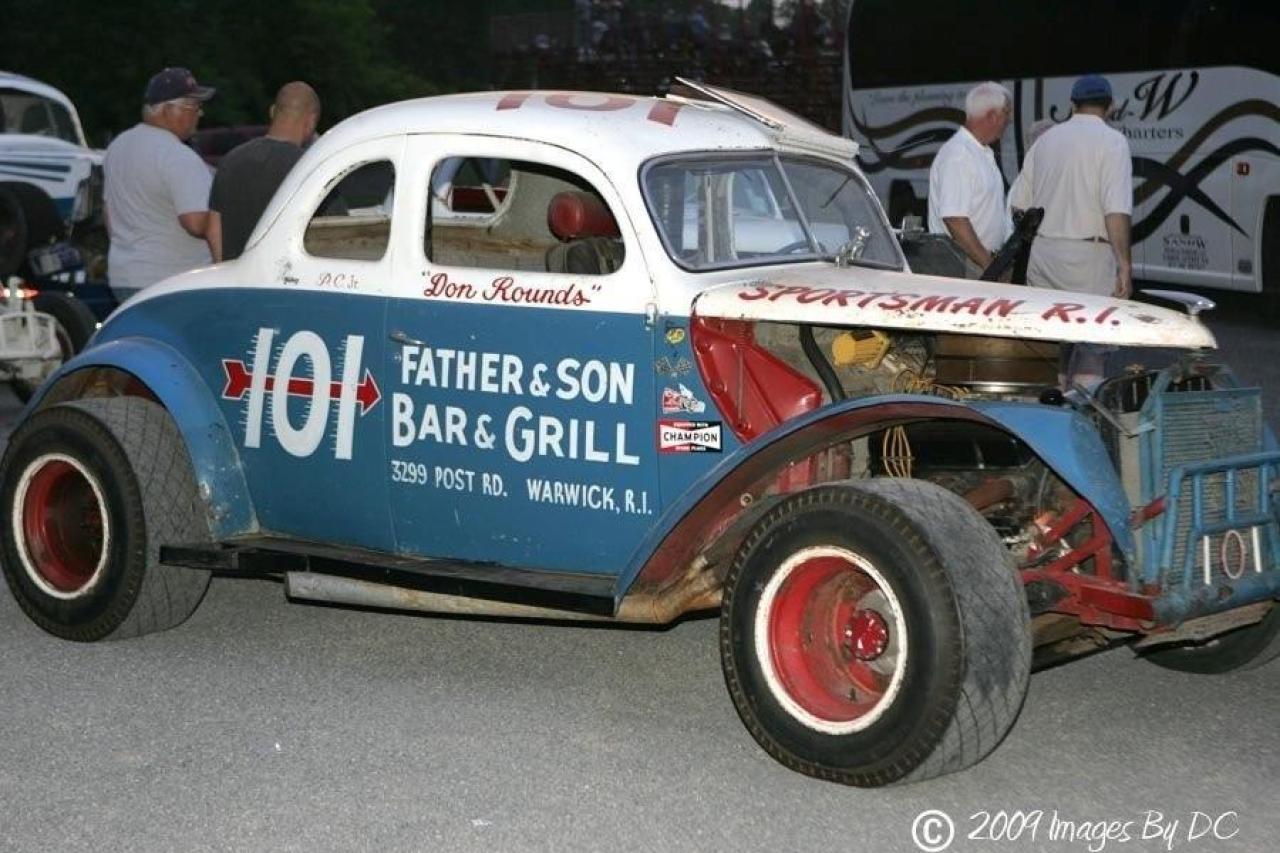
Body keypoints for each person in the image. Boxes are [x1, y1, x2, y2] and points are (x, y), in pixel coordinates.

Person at [1009, 74, 1133, 387]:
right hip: (1088, 258)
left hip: (1044, 253)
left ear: (1072, 105)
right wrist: (1124, 264)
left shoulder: (1046, 140)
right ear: (1110, 107)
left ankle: (1053, 403)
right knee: (1092, 345)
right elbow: (1115, 211)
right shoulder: (1113, 142)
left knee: (1053, 343)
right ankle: (1081, 408)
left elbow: (1019, 205)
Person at [103, 68, 216, 302]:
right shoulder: (177, 155)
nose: (200, 113)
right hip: (172, 282)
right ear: (168, 110)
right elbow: (196, 223)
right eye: (193, 106)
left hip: (124, 277)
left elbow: (109, 216)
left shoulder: (118, 146)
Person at [207, 82, 321, 262]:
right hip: (284, 276)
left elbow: (213, 229)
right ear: (311, 121)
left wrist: (224, 270)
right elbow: (333, 233)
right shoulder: (309, 168)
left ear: (272, 111)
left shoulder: (231, 159)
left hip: (236, 273)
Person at [927, 82, 1013, 278]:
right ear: (992, 116)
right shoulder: (959, 155)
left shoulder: (978, 151)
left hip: (976, 262)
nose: (1009, 121)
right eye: (1006, 114)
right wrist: (989, 266)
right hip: (966, 265)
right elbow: (955, 219)